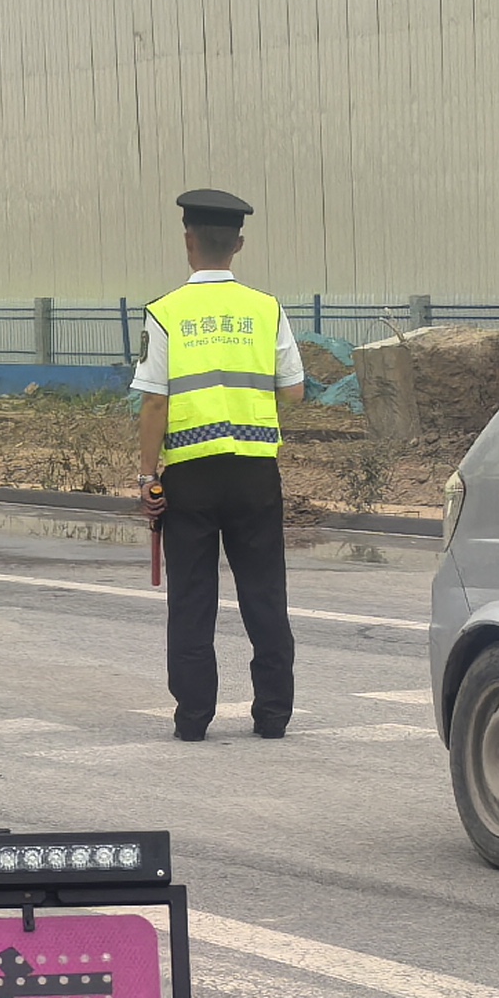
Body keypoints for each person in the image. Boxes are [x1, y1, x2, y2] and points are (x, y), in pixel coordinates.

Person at [136, 187, 304, 740]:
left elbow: (154, 402)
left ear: (189, 241)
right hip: (255, 472)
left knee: (192, 598)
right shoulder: (267, 309)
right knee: (264, 593)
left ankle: (193, 718)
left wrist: (148, 476)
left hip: (190, 475)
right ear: (238, 244)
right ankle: (273, 714)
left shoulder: (165, 313)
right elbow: (294, 391)